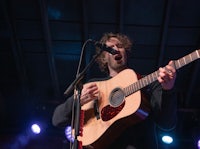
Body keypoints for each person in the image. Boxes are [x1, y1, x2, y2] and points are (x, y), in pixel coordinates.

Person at [52, 32, 177, 149]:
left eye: (120, 46)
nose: (116, 49)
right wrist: (78, 101)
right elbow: (57, 120)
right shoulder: (93, 85)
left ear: (126, 53)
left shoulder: (147, 82)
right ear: (103, 58)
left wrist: (168, 90)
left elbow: (167, 124)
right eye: (110, 47)